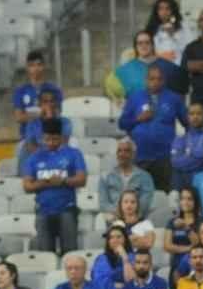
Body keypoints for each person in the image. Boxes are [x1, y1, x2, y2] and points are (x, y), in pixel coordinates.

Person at [22, 119, 87, 255]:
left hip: (67, 210)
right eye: (47, 139)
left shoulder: (73, 154)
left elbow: (82, 179)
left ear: (62, 137)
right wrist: (44, 183)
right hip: (43, 212)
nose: (51, 143)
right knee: (46, 255)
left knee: (70, 253)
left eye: (55, 139)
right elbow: (27, 186)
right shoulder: (34, 158)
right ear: (42, 138)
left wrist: (63, 181)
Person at [119, 64, 188, 190]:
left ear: (164, 80)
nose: (155, 82)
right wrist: (138, 119)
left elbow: (188, 123)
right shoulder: (135, 97)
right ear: (146, 80)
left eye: (159, 79)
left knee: (166, 196)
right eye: (152, 79)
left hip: (165, 158)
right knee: (140, 194)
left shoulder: (174, 98)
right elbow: (122, 123)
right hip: (141, 157)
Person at [105, 29, 185, 102]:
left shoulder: (169, 67)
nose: (144, 45)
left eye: (147, 42)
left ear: (153, 45)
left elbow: (180, 93)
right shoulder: (124, 70)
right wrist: (119, 101)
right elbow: (111, 88)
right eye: (140, 43)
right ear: (135, 46)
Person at [170, 102, 203, 191]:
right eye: (192, 114)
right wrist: (200, 156)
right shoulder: (180, 138)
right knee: (176, 172)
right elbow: (175, 161)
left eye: (199, 113)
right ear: (187, 117)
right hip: (183, 182)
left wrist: (189, 155)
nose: (195, 117)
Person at [12, 51, 63, 141]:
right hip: (27, 139)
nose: (36, 68)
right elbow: (19, 117)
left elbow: (57, 113)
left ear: (43, 66)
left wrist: (31, 114)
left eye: (39, 65)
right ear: (27, 68)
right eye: (32, 65)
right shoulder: (21, 91)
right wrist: (40, 111)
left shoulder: (54, 90)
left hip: (50, 138)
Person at [99, 139, 156, 216]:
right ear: (116, 154)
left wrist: (130, 214)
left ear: (133, 154)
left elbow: (145, 203)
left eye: (127, 151)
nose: (122, 154)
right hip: (114, 218)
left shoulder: (145, 177)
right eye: (119, 151)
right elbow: (103, 204)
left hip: (137, 218)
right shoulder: (105, 177)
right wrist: (120, 212)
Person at [145, 0, 195, 66]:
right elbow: (145, 50)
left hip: (177, 63)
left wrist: (173, 35)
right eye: (161, 9)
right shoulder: (152, 28)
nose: (164, 12)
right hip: (156, 63)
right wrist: (160, 56)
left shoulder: (183, 26)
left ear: (173, 11)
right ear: (156, 12)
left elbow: (191, 48)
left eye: (167, 9)